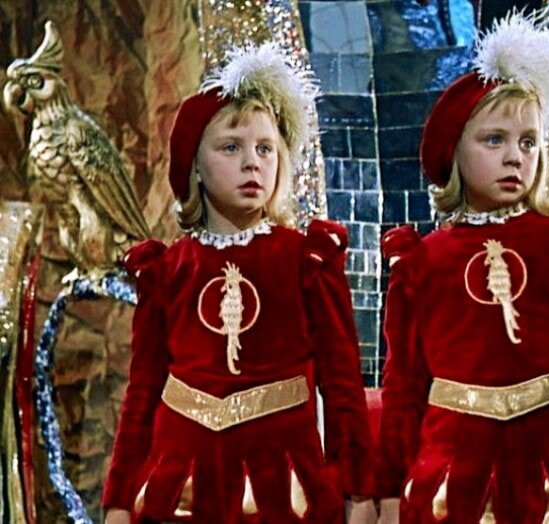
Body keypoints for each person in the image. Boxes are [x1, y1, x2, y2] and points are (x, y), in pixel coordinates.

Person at [376, 12, 549, 524]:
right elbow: (404, 391)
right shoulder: (422, 261)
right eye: (495, 140)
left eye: (528, 142)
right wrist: (390, 496)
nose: (515, 157)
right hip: (455, 489)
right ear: (454, 151)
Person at [102, 43, 376, 523]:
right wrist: (119, 499)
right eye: (231, 147)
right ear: (195, 165)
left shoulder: (307, 259)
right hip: (182, 492)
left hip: (280, 492)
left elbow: (342, 388)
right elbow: (142, 392)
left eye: (265, 148)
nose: (253, 162)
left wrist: (359, 493)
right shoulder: (166, 270)